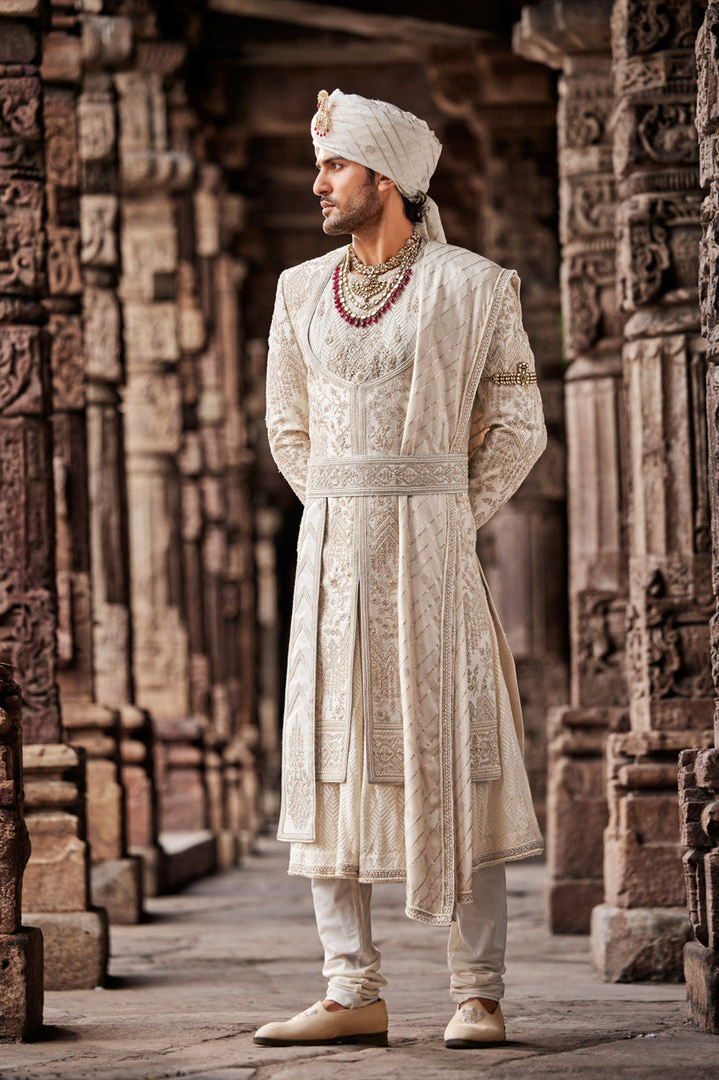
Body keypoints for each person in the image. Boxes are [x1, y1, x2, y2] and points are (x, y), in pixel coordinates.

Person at [255, 88, 545, 1051]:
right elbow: (286, 426)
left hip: (435, 546)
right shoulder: (299, 292)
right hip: (334, 553)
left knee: (459, 744)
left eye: (335, 165)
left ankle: (479, 990)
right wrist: (340, 509)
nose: (319, 181)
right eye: (319, 164)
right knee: (330, 748)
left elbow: (518, 423)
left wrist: (444, 515)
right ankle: (350, 989)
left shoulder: (475, 285)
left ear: (387, 177)